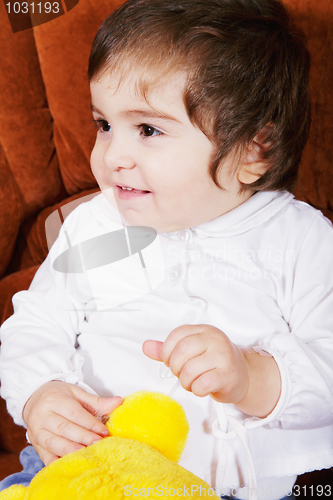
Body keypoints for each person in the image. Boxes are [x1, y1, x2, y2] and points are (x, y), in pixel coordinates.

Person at [1, 0, 333, 499]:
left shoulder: (302, 239)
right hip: (92, 470)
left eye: (149, 130)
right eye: (103, 124)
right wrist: (39, 395)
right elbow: (35, 324)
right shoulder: (93, 226)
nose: (112, 156)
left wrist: (252, 377)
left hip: (239, 486)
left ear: (253, 149)